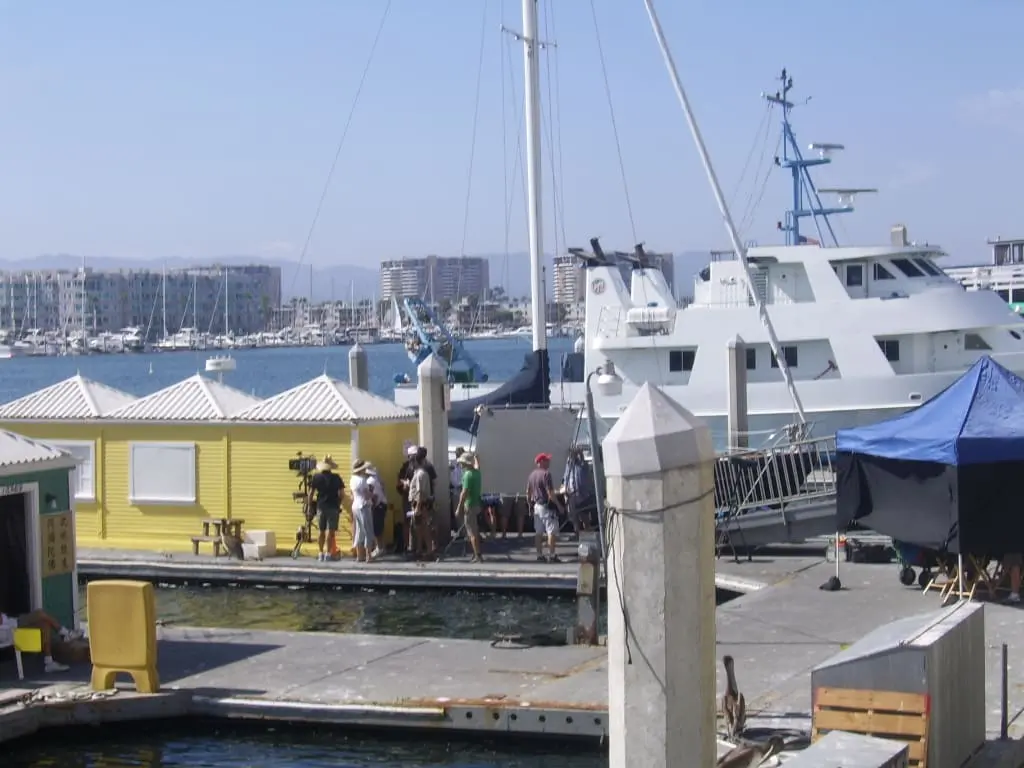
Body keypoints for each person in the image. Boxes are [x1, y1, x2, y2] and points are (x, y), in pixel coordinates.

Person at [0, 609, 78, 673]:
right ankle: (66, 633)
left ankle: (49, 662)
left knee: (44, 625)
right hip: (11, 628)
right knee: (40, 613)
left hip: (13, 624)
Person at [527, 452, 564, 563]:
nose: (549, 462)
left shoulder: (531, 475)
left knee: (538, 532)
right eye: (547, 460)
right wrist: (559, 505)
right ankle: (552, 555)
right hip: (546, 507)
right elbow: (550, 493)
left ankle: (539, 554)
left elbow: (528, 492)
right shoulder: (546, 474)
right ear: (541, 462)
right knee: (551, 531)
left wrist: (529, 505)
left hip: (536, 506)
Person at [308, 455, 344, 562]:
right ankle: (328, 553)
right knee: (330, 531)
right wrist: (338, 504)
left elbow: (311, 494)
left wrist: (310, 506)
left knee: (321, 530)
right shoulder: (336, 478)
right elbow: (342, 494)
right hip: (333, 506)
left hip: (320, 506)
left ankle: (320, 553)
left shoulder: (316, 477)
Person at [454, 451, 483, 563]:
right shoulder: (477, 473)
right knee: (475, 530)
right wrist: (476, 458)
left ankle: (477, 555)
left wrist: (458, 508)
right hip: (476, 503)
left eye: (462, 462)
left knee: (471, 532)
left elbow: (464, 493)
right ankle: (477, 553)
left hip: (469, 505)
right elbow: (477, 466)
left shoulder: (467, 475)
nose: (461, 464)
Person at [349, 459, 376, 563]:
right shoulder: (362, 480)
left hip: (355, 505)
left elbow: (352, 494)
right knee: (368, 530)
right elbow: (366, 495)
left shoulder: (352, 479)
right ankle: (368, 555)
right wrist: (373, 495)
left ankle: (359, 555)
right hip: (363, 506)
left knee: (359, 531)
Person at [408, 453, 434, 558]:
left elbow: (420, 492)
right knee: (418, 528)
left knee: (424, 528)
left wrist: (418, 507)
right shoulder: (418, 473)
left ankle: (429, 551)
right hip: (419, 503)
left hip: (420, 504)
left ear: (415, 462)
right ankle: (419, 550)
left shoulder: (420, 474)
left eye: (412, 462)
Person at [396, 445, 419, 556]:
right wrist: (405, 484)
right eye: (412, 456)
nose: (413, 458)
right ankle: (407, 545)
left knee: (417, 521)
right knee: (407, 521)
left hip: (417, 498)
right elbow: (399, 482)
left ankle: (416, 546)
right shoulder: (405, 467)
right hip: (407, 498)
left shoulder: (422, 466)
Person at [365, 462, 387, 558]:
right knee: (379, 527)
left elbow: (374, 497)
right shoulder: (377, 479)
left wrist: (372, 507)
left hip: (378, 505)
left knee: (376, 528)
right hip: (382, 504)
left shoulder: (370, 481)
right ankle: (381, 547)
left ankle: (379, 548)